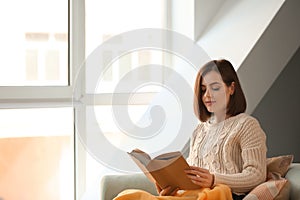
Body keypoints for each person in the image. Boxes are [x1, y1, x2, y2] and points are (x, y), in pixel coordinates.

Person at [156, 59, 267, 200]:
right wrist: (171, 186)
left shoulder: (247, 125)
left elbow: (256, 175)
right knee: (131, 195)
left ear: (231, 88)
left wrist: (214, 180)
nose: (207, 95)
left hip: (224, 195)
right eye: (203, 90)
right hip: (194, 195)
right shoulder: (199, 130)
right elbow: (192, 173)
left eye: (215, 88)